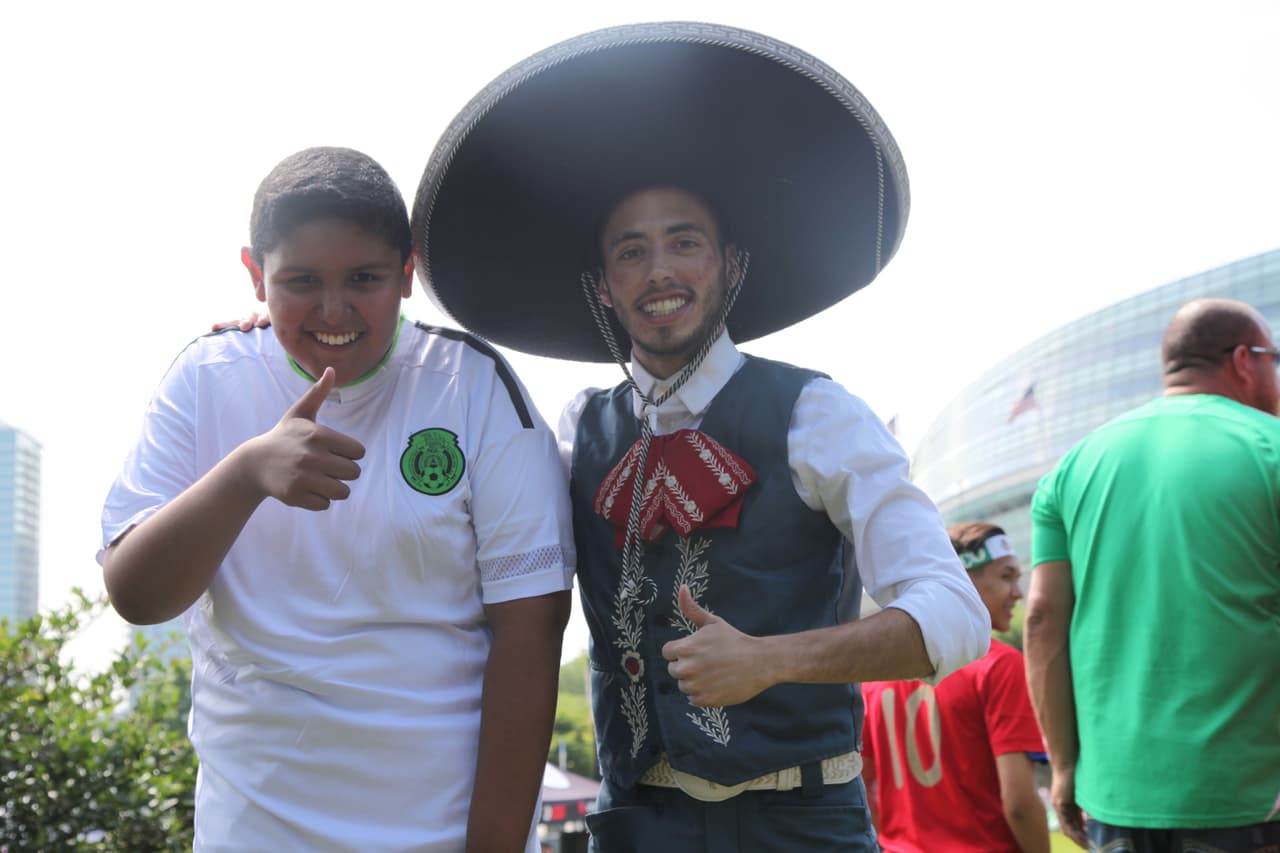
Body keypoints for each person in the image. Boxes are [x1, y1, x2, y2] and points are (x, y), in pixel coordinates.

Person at [408, 22, 991, 851]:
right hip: (637, 821)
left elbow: (955, 617)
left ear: (731, 263)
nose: (660, 272)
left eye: (684, 242)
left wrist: (774, 659)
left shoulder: (817, 413)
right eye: (631, 252)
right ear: (602, 286)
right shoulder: (577, 430)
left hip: (802, 825)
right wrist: (278, 342)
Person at [99, 146, 574, 852]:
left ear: (408, 273)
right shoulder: (207, 378)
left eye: (364, 278)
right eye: (299, 281)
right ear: (254, 277)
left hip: (439, 833)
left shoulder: (475, 386)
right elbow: (135, 593)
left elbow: (530, 634)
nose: (333, 308)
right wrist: (246, 473)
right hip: (254, 830)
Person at [1025, 297, 1280, 852]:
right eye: (1273, 359)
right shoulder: (1270, 447)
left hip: (1116, 801)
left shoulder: (1073, 467)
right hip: (1251, 802)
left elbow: (1042, 619)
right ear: (1244, 360)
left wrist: (1064, 767)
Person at [861, 522, 1050, 853]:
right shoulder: (1000, 665)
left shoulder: (877, 677)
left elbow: (864, 793)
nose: (1018, 593)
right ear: (964, 580)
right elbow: (1019, 803)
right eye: (1007, 577)